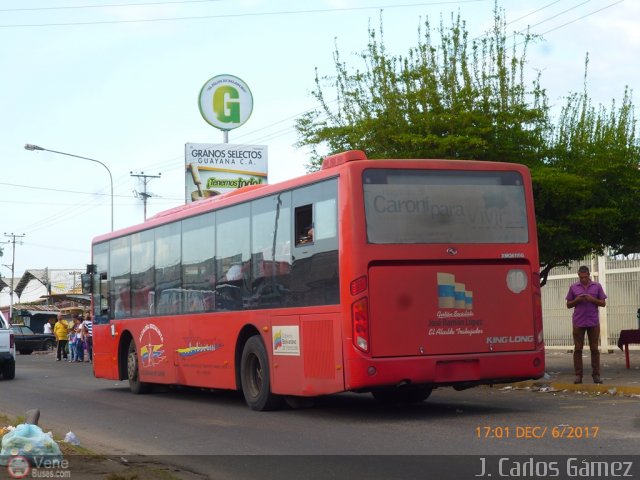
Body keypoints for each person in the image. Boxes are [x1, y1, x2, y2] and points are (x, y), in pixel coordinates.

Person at [566, 265, 607, 384]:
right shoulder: (573, 287)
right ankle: (578, 376)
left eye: (585, 277)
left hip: (593, 322)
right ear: (578, 276)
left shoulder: (597, 286)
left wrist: (591, 299)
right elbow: (568, 305)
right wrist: (577, 300)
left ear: (589, 275)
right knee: (578, 349)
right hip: (578, 322)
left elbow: (603, 303)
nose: (583, 279)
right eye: (581, 277)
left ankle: (596, 375)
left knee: (594, 349)